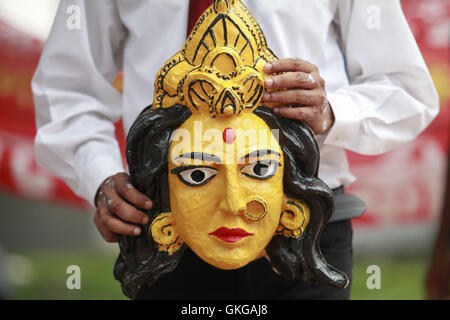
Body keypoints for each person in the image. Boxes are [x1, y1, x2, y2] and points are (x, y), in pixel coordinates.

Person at [32, 0, 439, 299]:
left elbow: (407, 90)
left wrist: (332, 111)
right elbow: (67, 87)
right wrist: (99, 176)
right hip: (164, 231)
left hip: (302, 236)